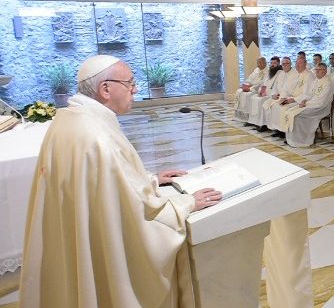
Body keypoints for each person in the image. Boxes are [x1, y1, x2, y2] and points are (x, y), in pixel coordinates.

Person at [20, 55, 221, 307]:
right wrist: (185, 204)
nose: (135, 89)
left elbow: (107, 183)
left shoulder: (70, 119)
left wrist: (150, 180)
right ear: (105, 89)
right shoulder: (97, 137)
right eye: (130, 83)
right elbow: (136, 213)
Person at [282, 63, 334, 148]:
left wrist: (306, 103)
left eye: (319, 70)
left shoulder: (328, 83)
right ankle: (292, 139)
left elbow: (322, 101)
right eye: (316, 70)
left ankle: (303, 140)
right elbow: (309, 94)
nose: (316, 72)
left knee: (297, 115)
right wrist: (304, 100)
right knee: (289, 112)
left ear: (324, 71)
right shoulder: (316, 80)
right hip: (311, 104)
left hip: (321, 108)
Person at [266, 57, 314, 137]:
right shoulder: (297, 74)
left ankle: (285, 132)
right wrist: (283, 98)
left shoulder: (309, 75)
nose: (298, 65)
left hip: (300, 101)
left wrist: (293, 99)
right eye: (297, 63)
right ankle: (278, 129)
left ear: (305, 64)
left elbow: (308, 94)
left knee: (283, 108)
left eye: (300, 63)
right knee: (276, 105)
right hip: (291, 98)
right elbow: (287, 88)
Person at [251, 56, 291, 131]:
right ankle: (258, 122)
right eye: (271, 63)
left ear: (279, 64)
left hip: (273, 95)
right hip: (269, 94)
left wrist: (271, 94)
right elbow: (264, 83)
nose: (272, 65)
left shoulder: (280, 72)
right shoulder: (269, 72)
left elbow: (277, 87)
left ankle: (266, 125)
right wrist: (261, 91)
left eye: (274, 63)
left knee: (263, 102)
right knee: (255, 99)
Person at [234, 56, 270, 123]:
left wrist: (250, 88)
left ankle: (249, 117)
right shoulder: (256, 70)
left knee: (248, 95)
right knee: (239, 92)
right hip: (251, 87)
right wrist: (246, 85)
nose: (259, 64)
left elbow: (262, 83)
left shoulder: (268, 71)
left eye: (261, 62)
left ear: (265, 63)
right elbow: (250, 79)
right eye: (258, 63)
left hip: (257, 89)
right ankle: (242, 117)